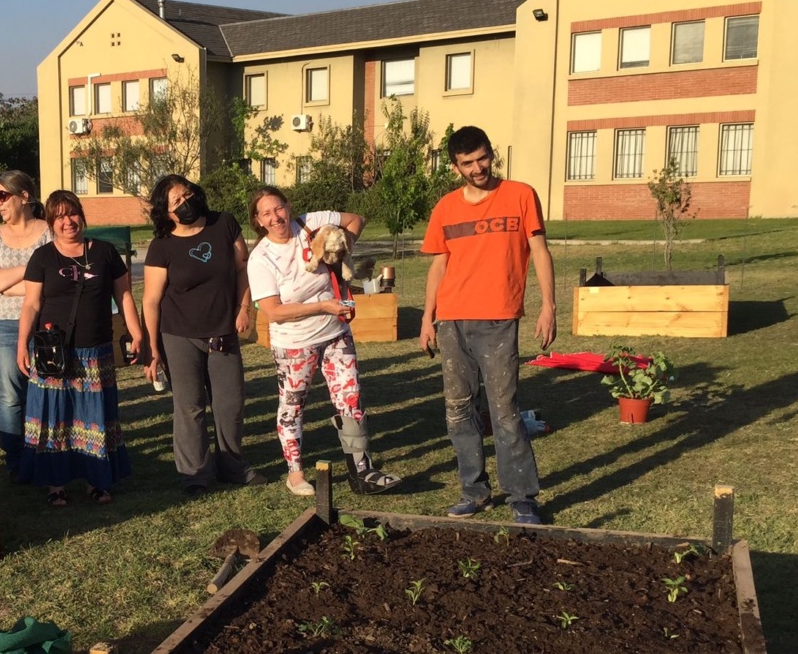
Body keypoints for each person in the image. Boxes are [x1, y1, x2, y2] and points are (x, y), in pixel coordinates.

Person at [419, 125, 556, 526]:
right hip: (452, 320)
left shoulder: (520, 195)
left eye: (483, 158)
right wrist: (427, 318)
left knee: (504, 409)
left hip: (498, 318)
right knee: (459, 410)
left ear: (490, 153)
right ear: (455, 166)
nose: (478, 168)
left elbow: (539, 250)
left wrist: (549, 306)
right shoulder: (446, 207)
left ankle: (522, 497)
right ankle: (474, 492)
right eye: (468, 163)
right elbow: (438, 264)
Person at [246, 187, 403, 497]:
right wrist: (322, 306)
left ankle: (361, 471)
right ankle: (295, 473)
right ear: (258, 220)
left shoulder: (309, 224)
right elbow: (274, 312)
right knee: (293, 405)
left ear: (288, 206)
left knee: (351, 399)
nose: (276, 217)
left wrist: (344, 248)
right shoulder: (260, 259)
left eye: (279, 208)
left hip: (335, 332)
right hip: (294, 343)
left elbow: (356, 219)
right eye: (267, 213)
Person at [16, 190, 142, 506]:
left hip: (95, 350)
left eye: (71, 214)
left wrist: (137, 333)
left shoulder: (104, 252)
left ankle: (96, 482)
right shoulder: (42, 257)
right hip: (51, 353)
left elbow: (124, 296)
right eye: (59, 216)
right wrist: (22, 344)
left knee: (93, 417)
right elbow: (31, 304)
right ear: (50, 222)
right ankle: (55, 485)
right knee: (54, 416)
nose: (67, 221)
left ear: (81, 215)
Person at [143, 175, 266, 496]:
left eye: (188, 195)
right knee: (190, 406)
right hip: (179, 334)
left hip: (223, 329)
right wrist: (152, 348)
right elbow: (152, 299)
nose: (186, 203)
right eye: (176, 202)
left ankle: (232, 466)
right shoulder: (162, 245)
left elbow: (243, 267)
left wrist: (244, 309)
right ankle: (194, 474)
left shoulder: (223, 223)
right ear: (165, 213)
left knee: (229, 403)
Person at [0, 170, 51, 480]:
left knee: (44, 391)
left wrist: (8, 281)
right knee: (10, 395)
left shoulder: (49, 232)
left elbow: (51, 281)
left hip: (44, 325)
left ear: (25, 196)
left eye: (3, 195)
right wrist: (31, 270)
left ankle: (45, 455)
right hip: (5, 325)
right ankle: (16, 462)